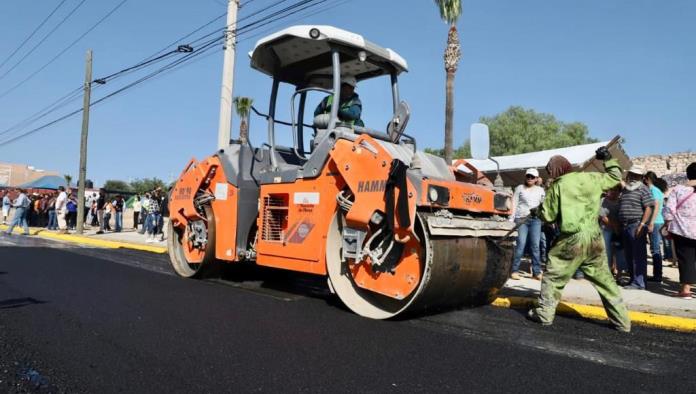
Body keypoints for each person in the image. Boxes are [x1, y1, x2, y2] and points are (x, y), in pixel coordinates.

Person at [527, 149, 631, 332]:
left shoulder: (558, 186)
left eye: (550, 171)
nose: (550, 174)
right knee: (606, 281)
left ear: (556, 171)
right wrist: (607, 159)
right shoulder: (591, 178)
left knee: (553, 276)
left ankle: (544, 314)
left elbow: (549, 216)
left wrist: (538, 211)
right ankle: (622, 322)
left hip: (571, 239)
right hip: (594, 238)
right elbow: (615, 177)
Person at [618, 165, 656, 290]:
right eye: (631, 174)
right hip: (625, 226)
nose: (633, 176)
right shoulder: (626, 189)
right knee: (629, 255)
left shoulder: (643, 189)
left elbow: (649, 207)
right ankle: (633, 280)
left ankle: (639, 283)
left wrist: (642, 224)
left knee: (638, 256)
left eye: (636, 175)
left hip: (636, 225)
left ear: (640, 176)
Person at [663, 162, 696, 299]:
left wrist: (667, 225)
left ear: (687, 175)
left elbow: (669, 211)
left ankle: (686, 290)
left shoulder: (678, 189)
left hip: (682, 230)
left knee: (686, 259)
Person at [509, 168, 545, 280]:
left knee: (535, 246)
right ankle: (514, 270)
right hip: (521, 219)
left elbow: (544, 205)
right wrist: (511, 219)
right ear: (525, 177)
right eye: (528, 176)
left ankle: (536, 272)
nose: (530, 178)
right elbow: (514, 203)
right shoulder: (519, 188)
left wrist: (544, 218)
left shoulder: (540, 190)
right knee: (520, 245)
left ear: (536, 179)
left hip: (536, 220)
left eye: (532, 177)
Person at [599, 185, 626, 278]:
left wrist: (618, 228)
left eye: (616, 190)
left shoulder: (622, 202)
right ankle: (608, 271)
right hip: (606, 229)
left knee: (620, 252)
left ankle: (619, 273)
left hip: (619, 229)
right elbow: (603, 217)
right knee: (607, 251)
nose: (614, 192)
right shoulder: (603, 201)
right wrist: (614, 226)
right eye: (612, 190)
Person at [643, 171, 665, 282]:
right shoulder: (656, 190)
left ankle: (657, 276)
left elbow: (656, 206)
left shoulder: (654, 190)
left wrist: (651, 222)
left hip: (655, 222)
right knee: (654, 248)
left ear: (647, 179)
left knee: (655, 249)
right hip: (656, 222)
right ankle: (657, 275)